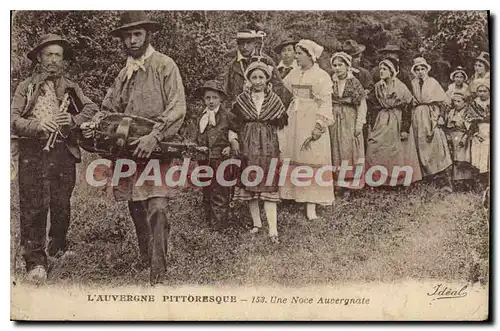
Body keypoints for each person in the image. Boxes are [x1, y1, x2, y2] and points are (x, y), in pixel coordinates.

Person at [83, 11, 186, 285]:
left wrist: (155, 135)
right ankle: (146, 254)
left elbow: (177, 106)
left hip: (158, 149)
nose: (131, 40)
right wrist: (98, 126)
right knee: (137, 206)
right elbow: (109, 109)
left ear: (147, 35)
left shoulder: (165, 65)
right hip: (129, 153)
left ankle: (158, 272)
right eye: (127, 36)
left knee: (158, 207)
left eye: (137, 34)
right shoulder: (124, 73)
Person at [11, 34, 99, 284]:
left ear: (63, 61)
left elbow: (91, 108)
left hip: (63, 152)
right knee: (33, 206)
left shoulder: (71, 86)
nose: (52, 60)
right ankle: (35, 262)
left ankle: (57, 246)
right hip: (33, 152)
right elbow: (12, 119)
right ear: (39, 58)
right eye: (47, 54)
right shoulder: (25, 87)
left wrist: (72, 121)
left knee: (61, 203)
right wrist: (38, 125)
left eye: (57, 55)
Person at [231, 60, 287, 243]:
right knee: (250, 184)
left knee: (268, 183)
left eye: (261, 77)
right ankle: (257, 223)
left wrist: (281, 149)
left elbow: (282, 127)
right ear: (248, 79)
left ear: (267, 79)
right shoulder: (241, 100)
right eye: (254, 77)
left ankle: (273, 229)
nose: (257, 81)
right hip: (247, 145)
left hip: (268, 146)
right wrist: (233, 140)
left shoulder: (274, 100)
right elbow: (233, 124)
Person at [279, 39, 335, 219]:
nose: (296, 56)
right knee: (293, 154)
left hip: (311, 118)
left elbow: (326, 103)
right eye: (295, 53)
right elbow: (283, 89)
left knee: (311, 155)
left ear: (310, 56)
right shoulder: (294, 73)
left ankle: (311, 203)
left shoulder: (321, 76)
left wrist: (319, 125)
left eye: (299, 53)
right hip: (295, 117)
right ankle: (294, 195)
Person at [366, 58, 422, 186]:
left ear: (391, 71)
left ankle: (397, 181)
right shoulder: (378, 86)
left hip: (397, 118)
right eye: (380, 69)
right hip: (382, 118)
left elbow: (407, 107)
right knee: (375, 146)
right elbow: (371, 104)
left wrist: (404, 128)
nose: (381, 71)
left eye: (385, 69)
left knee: (396, 151)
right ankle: (378, 179)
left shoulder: (401, 86)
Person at [194, 80, 239, 231]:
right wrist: (198, 147)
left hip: (221, 160)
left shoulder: (227, 116)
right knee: (206, 189)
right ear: (204, 100)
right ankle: (208, 221)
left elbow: (235, 134)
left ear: (220, 98)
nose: (211, 101)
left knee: (220, 191)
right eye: (208, 98)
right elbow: (196, 136)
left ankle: (219, 226)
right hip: (204, 159)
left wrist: (229, 146)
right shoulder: (201, 117)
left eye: (214, 98)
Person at [410, 57, 453, 191]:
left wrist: (440, 117)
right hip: (417, 115)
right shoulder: (413, 83)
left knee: (436, 145)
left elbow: (444, 101)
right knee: (420, 146)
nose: (420, 71)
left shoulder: (433, 82)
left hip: (431, 114)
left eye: (423, 69)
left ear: (427, 69)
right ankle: (425, 178)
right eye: (417, 69)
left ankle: (444, 180)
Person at [223, 24, 291, 108]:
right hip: (239, 111)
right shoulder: (232, 65)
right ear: (237, 44)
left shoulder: (266, 61)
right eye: (241, 43)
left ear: (254, 43)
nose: (245, 47)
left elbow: (279, 88)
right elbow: (227, 93)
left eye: (248, 43)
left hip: (263, 110)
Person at [329, 51, 367, 195]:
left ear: (347, 66)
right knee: (335, 149)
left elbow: (362, 104)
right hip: (334, 118)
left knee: (348, 149)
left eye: (340, 65)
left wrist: (359, 124)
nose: (337, 68)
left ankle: (350, 183)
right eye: (335, 65)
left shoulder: (354, 82)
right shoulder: (331, 82)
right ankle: (337, 183)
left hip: (349, 118)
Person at [444, 92, 476, 190]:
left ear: (465, 102)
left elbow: (471, 128)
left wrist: (465, 138)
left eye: (459, 101)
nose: (456, 103)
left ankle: (467, 182)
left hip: (463, 137)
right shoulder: (451, 112)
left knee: (463, 159)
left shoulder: (468, 112)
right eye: (454, 101)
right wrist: (448, 136)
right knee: (455, 159)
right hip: (453, 137)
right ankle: (457, 182)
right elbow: (447, 126)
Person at [464, 79, 490, 186]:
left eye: (485, 91)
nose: (482, 93)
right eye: (480, 91)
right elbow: (468, 119)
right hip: (478, 132)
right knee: (478, 157)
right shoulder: (474, 104)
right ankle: (480, 181)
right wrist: (475, 133)